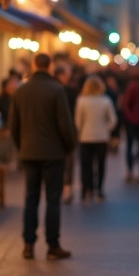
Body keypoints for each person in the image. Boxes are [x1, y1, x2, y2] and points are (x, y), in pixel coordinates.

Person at [10, 52, 76, 259]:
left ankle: (28, 244)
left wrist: (23, 146)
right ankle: (52, 245)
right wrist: (69, 147)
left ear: (33, 65)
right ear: (50, 67)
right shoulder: (56, 90)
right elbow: (65, 125)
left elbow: (13, 125)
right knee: (53, 200)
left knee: (31, 198)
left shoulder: (21, 91)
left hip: (29, 152)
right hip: (53, 154)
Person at [74, 75, 117, 203]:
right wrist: (106, 129)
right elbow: (113, 120)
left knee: (86, 165)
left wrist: (81, 131)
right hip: (101, 137)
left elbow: (77, 121)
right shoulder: (106, 100)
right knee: (101, 164)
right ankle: (99, 189)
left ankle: (87, 189)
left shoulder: (81, 101)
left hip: (85, 137)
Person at [55, 62, 80, 203]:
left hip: (59, 131)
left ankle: (64, 187)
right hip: (68, 129)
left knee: (64, 160)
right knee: (68, 160)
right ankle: (66, 188)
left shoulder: (67, 91)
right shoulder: (69, 91)